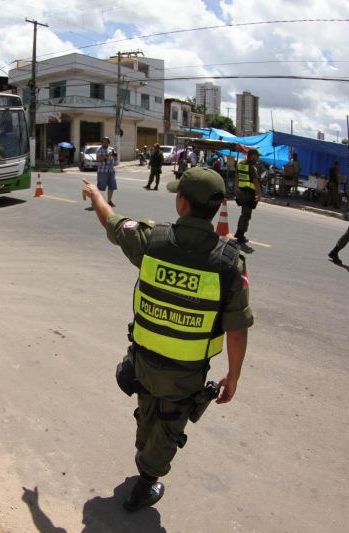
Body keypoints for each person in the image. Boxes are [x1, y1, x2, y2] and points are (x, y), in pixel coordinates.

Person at [81, 167, 253, 512]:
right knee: (170, 424)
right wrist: (233, 376)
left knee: (147, 409)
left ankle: (144, 451)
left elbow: (112, 223)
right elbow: (237, 329)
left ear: (182, 203)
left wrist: (97, 195)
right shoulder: (229, 263)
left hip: (144, 362)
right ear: (216, 207)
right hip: (185, 373)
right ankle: (145, 483)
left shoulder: (153, 241)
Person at [233, 149, 262, 244]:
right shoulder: (252, 167)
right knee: (246, 214)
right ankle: (240, 235)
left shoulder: (241, 164)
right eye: (257, 156)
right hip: (249, 193)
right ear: (252, 156)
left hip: (241, 192)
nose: (258, 158)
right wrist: (259, 193)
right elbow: (255, 181)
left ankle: (239, 233)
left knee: (244, 213)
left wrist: (237, 188)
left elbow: (237, 176)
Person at [96, 137, 117, 207]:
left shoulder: (111, 149)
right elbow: (98, 159)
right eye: (103, 142)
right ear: (102, 143)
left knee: (112, 186)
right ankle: (97, 200)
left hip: (111, 170)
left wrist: (114, 155)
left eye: (106, 142)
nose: (105, 144)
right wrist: (107, 155)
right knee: (100, 187)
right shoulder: (99, 149)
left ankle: (109, 201)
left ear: (108, 143)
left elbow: (115, 157)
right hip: (102, 171)